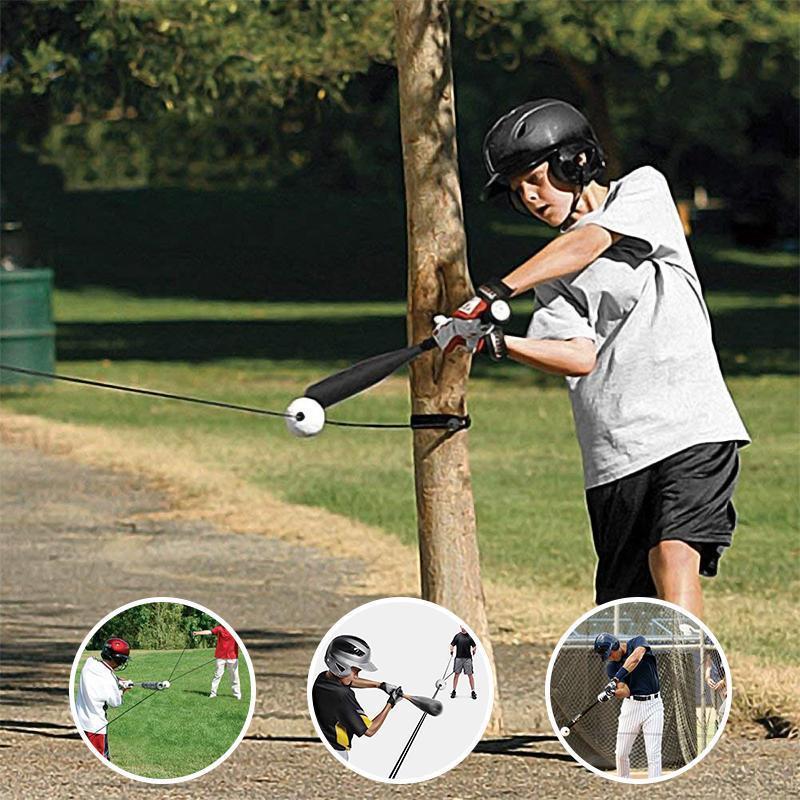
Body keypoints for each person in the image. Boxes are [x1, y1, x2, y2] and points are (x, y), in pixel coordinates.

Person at [462, 98, 749, 618]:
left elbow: (590, 241)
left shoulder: (643, 191)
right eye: (515, 189)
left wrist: (496, 289)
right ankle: (653, 697)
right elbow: (577, 357)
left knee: (673, 554)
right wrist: (498, 342)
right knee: (626, 617)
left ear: (576, 162)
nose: (527, 196)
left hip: (691, 427)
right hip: (616, 453)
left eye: (534, 177)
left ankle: (693, 689)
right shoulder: (552, 279)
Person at [311, 635, 403, 761]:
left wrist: (380, 685)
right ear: (341, 667)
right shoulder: (343, 695)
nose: (357, 676)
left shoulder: (322, 679)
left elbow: (349, 681)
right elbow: (369, 730)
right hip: (338, 752)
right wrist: (390, 703)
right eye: (356, 671)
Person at [594, 632, 663, 779]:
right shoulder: (611, 667)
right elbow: (625, 691)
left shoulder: (637, 642)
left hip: (654, 705)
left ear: (616, 645)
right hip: (631, 707)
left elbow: (636, 658)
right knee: (621, 753)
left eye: (610, 654)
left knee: (653, 753)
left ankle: (654, 785)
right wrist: (612, 693)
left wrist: (616, 678)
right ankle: (623, 782)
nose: (609, 658)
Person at [75, 637, 133, 759]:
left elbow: (103, 672)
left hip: (80, 721)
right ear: (118, 659)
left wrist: (116, 679)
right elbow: (115, 702)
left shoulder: (89, 663)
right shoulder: (109, 680)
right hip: (95, 728)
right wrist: (123, 689)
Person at [193, 625, 241, 699]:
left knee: (234, 676)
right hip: (220, 656)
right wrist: (198, 633)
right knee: (217, 675)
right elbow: (209, 632)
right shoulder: (220, 628)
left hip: (232, 657)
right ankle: (213, 693)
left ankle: (237, 695)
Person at [449, 626, 477, 699]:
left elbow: (474, 645)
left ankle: (473, 691)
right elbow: (452, 645)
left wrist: (474, 650)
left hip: (468, 659)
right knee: (456, 675)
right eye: (462, 626)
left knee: (470, 675)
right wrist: (451, 650)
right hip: (458, 658)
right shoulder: (457, 636)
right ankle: (454, 690)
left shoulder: (470, 637)